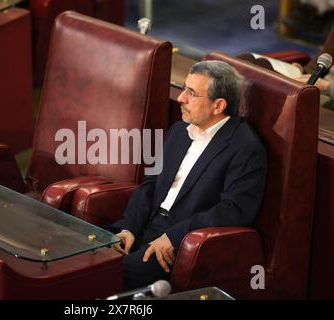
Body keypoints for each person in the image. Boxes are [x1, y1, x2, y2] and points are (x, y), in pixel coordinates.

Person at [108, 60, 268, 290]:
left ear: (218, 105)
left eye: (191, 93)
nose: (181, 98)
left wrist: (174, 237)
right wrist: (129, 228)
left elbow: (234, 210)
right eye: (184, 89)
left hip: (182, 242)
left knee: (106, 274)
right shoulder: (178, 131)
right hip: (145, 225)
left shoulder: (246, 148)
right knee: (88, 257)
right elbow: (151, 183)